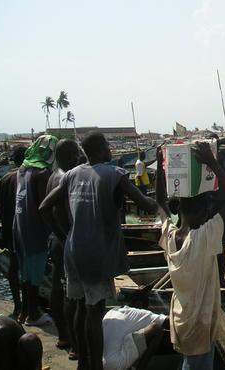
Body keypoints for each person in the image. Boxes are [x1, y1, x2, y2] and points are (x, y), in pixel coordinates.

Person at [39, 132, 159, 370]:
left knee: (80, 307)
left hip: (73, 252)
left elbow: (44, 207)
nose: (109, 150)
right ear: (100, 149)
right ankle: (94, 366)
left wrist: (66, 236)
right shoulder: (114, 173)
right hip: (96, 254)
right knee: (94, 312)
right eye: (106, 146)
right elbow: (146, 204)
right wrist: (162, 198)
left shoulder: (72, 174)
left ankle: (83, 361)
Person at [156, 142, 225, 370]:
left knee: (190, 362)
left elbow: (159, 202)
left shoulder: (171, 236)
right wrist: (211, 162)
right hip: (200, 321)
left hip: (181, 318)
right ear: (202, 211)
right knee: (196, 365)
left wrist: (161, 167)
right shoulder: (203, 238)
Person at [13, 135, 58, 326]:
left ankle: (25, 311)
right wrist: (57, 231)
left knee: (25, 273)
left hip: (19, 226)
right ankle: (33, 314)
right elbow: (44, 207)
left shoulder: (22, 169)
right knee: (35, 276)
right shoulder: (42, 173)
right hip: (35, 230)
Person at [44, 139, 81, 355]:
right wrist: (66, 236)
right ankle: (75, 344)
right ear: (68, 155)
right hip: (64, 241)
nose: (78, 158)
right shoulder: (62, 178)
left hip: (57, 240)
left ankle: (63, 337)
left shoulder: (53, 175)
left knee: (58, 291)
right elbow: (54, 212)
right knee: (71, 297)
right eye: (75, 154)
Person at [0, 145, 27, 317]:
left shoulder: (4, 180)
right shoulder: (32, 177)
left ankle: (18, 306)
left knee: (13, 267)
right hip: (28, 231)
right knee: (29, 271)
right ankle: (29, 307)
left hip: (9, 231)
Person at [102, 306, 167, 370]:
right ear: (140, 303)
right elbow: (160, 324)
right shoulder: (137, 313)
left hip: (102, 361)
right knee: (157, 329)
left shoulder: (111, 312)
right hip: (114, 364)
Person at [134, 151, 150, 216]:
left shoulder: (141, 162)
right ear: (141, 155)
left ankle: (142, 213)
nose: (145, 156)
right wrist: (142, 184)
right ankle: (142, 213)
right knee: (142, 199)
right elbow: (139, 175)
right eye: (144, 155)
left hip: (142, 183)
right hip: (141, 184)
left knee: (142, 198)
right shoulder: (139, 163)